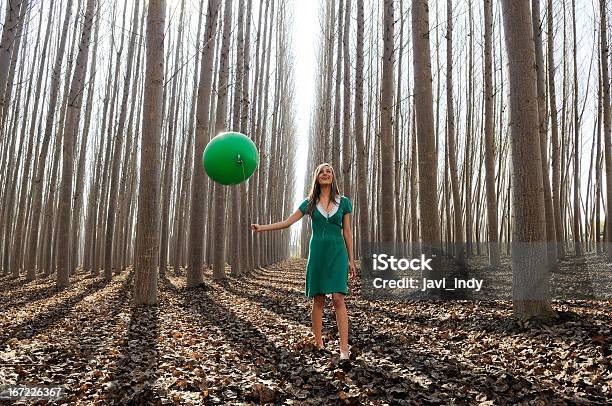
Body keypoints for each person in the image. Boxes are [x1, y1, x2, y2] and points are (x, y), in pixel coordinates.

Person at [251, 163, 356, 360]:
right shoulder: (309, 202)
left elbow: (347, 232)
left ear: (333, 177)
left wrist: (351, 259)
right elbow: (287, 222)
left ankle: (344, 349)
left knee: (338, 299)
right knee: (318, 300)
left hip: (338, 254)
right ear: (317, 178)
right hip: (317, 254)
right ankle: (319, 342)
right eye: (321, 172)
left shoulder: (344, 202)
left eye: (329, 172)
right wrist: (261, 228)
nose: (325, 174)